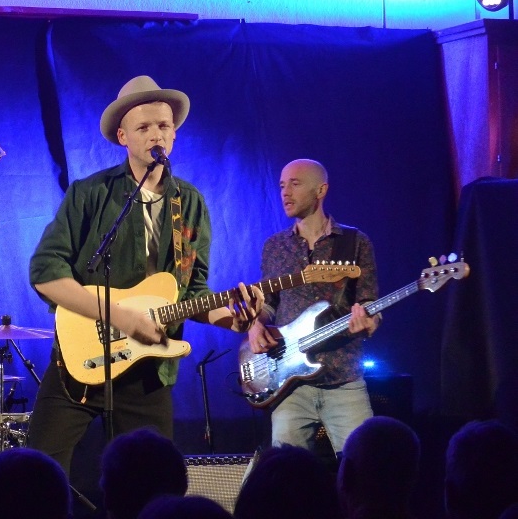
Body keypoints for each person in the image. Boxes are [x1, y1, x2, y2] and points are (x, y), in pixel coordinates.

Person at [28, 76, 262, 473]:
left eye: (164, 126)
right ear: (123, 136)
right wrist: (118, 315)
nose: (157, 134)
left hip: (149, 371)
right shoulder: (90, 193)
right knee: (33, 478)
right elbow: (45, 272)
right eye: (144, 127)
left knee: (150, 487)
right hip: (78, 363)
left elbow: (192, 291)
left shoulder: (189, 203)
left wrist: (232, 319)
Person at [246, 160, 379, 455]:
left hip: (344, 378)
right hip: (290, 384)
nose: (285, 192)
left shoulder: (355, 242)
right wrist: (255, 325)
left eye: (295, 183)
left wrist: (369, 321)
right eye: (281, 185)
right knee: (285, 479)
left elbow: (369, 300)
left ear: (321, 190)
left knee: (364, 470)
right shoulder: (275, 246)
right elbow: (268, 304)